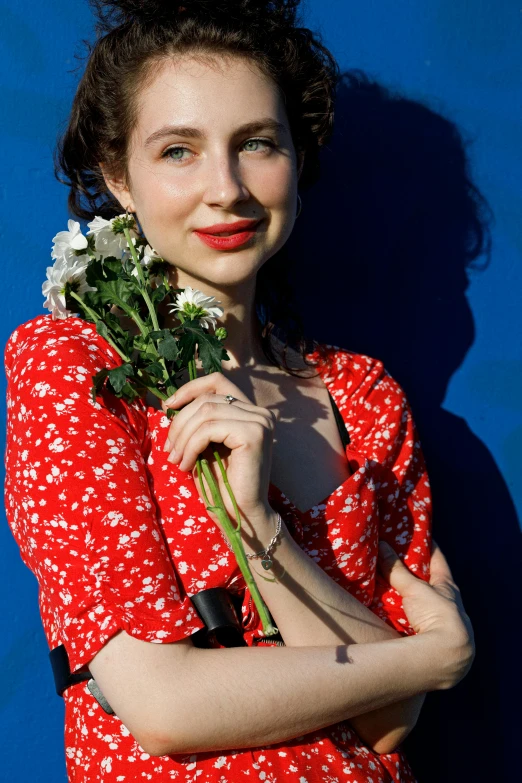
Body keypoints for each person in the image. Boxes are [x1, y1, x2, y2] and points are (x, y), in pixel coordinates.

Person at [4, 1, 474, 781]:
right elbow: (163, 706)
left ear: (295, 155)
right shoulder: (75, 364)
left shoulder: (362, 394)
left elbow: (391, 723)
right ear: (119, 177)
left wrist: (261, 526)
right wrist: (431, 656)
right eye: (178, 151)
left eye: (256, 142)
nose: (226, 189)